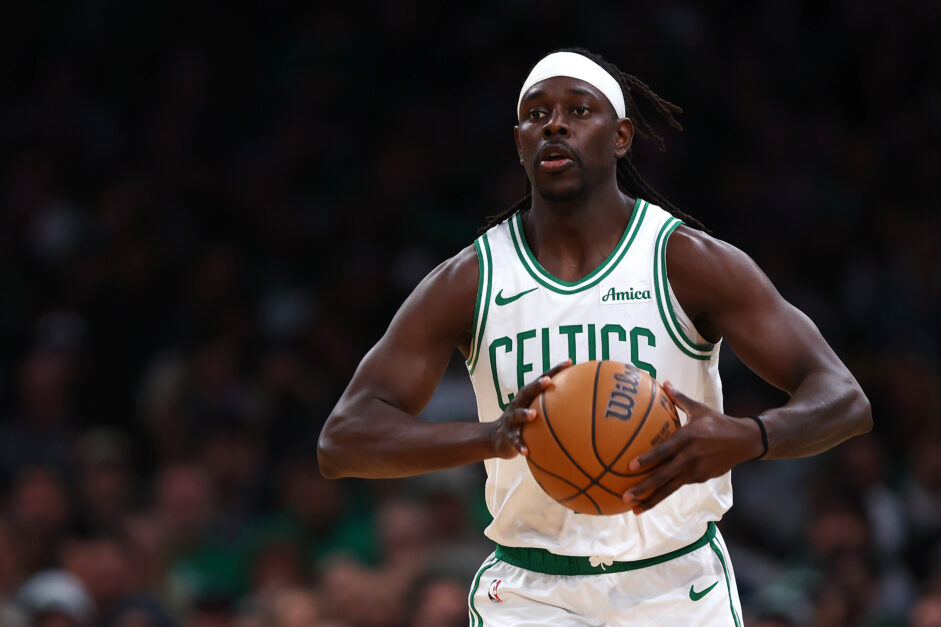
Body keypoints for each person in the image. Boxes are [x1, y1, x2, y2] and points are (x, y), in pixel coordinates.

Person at [318, 48, 872, 626]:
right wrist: (489, 437)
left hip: (675, 586)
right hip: (531, 594)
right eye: (536, 114)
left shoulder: (684, 260)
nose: (554, 124)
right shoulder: (471, 279)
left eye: (579, 110)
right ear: (519, 143)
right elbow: (343, 440)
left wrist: (750, 436)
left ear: (622, 136)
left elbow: (843, 398)